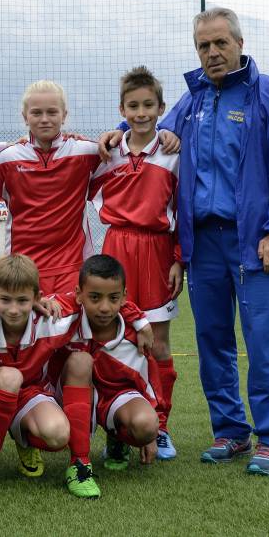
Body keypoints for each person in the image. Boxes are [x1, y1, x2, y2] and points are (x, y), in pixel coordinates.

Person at [109, 7, 269, 475]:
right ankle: (231, 431)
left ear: (239, 43)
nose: (212, 52)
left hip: (256, 242)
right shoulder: (193, 101)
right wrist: (116, 134)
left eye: (221, 43)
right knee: (213, 342)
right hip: (203, 245)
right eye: (203, 45)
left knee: (265, 343)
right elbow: (148, 130)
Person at [88, 66, 183, 460]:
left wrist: (179, 259)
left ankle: (160, 426)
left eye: (148, 105)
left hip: (157, 252)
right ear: (121, 110)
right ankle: (115, 425)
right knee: (112, 338)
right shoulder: (106, 153)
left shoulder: (174, 154)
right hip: (117, 248)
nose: (141, 113)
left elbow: (185, 211)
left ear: (161, 108)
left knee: (157, 342)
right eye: (133, 106)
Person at [0, 254, 99, 498]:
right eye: (5, 300)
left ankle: (75, 462)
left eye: (22, 300)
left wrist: (139, 322)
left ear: (37, 298)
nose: (13, 309)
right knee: (10, 377)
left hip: (30, 392)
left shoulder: (51, 317)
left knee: (58, 434)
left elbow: (95, 300)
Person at [0, 81, 101, 294]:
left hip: (72, 267)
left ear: (64, 115)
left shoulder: (87, 153)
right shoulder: (7, 160)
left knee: (70, 318)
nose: (44, 119)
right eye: (36, 113)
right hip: (21, 269)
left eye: (52, 112)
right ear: (25, 117)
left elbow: (128, 150)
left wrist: (131, 132)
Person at [45, 254, 159, 470]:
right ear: (79, 294)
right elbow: (21, 301)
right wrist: (40, 303)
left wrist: (152, 433)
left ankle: (118, 438)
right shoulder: (64, 317)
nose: (104, 307)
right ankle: (78, 459)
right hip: (66, 393)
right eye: (95, 298)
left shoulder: (135, 336)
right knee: (80, 361)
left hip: (115, 396)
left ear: (124, 297)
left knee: (146, 424)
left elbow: (149, 381)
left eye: (113, 298)